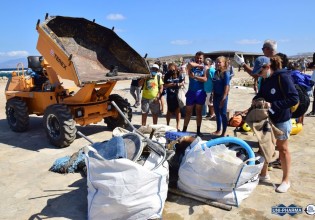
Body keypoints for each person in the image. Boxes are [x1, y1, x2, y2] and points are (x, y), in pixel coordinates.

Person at [252, 55, 299, 193]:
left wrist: (273, 104)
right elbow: (261, 93)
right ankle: (264, 174)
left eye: (260, 72)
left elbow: (293, 98)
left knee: (283, 149)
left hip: (282, 119)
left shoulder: (283, 77)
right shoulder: (265, 79)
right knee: (264, 146)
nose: (259, 75)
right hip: (268, 118)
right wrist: (256, 100)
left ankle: (286, 180)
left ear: (267, 67)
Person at [182, 51, 207, 136]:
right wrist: (198, 65)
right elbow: (189, 65)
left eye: (200, 58)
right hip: (191, 92)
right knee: (188, 112)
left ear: (203, 59)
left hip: (200, 92)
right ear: (195, 58)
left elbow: (205, 79)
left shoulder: (205, 68)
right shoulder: (192, 66)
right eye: (197, 58)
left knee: (199, 112)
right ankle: (184, 130)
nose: (199, 59)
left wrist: (195, 77)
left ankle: (198, 131)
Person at [211, 56, 231, 137]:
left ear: (224, 63)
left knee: (223, 114)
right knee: (217, 113)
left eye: (219, 62)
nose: (218, 63)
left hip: (222, 96)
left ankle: (224, 131)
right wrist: (212, 94)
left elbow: (227, 86)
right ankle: (218, 129)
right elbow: (214, 84)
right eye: (216, 62)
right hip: (215, 96)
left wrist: (224, 98)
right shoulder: (216, 72)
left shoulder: (226, 73)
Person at [163, 63, 184, 131]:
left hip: (177, 94)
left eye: (172, 68)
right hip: (169, 95)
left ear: (175, 67)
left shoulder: (179, 74)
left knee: (178, 110)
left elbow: (182, 83)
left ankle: (178, 126)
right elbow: (165, 85)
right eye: (169, 68)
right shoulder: (167, 74)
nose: (171, 70)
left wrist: (176, 84)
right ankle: (167, 124)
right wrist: (173, 84)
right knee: (169, 110)